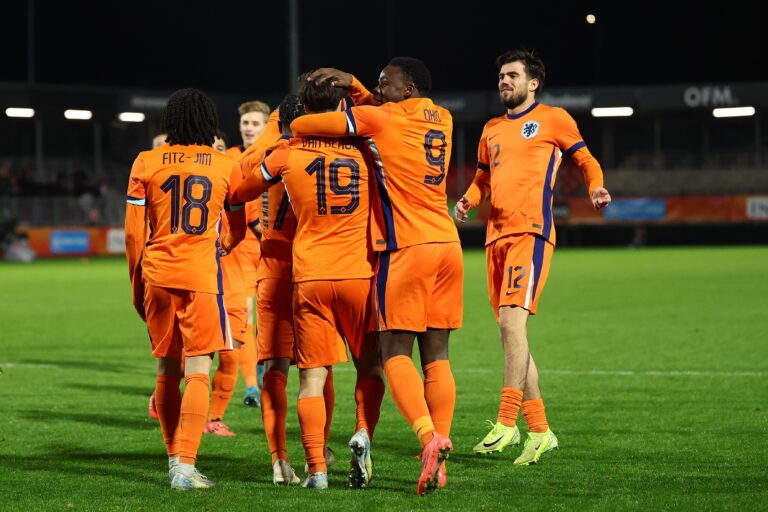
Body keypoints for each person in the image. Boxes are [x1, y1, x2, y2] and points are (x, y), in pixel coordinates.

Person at [298, 57, 461, 495]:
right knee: (438, 355)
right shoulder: (442, 117)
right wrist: (355, 84)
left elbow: (309, 126)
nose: (376, 87)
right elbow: (382, 108)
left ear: (406, 90)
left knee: (393, 353)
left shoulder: (378, 118)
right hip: (448, 245)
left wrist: (315, 103)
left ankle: (429, 439)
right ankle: (441, 456)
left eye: (384, 83)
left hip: (405, 247)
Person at [454, 49, 611, 465]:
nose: (504, 81)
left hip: (531, 233)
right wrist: (469, 200)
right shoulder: (490, 129)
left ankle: (507, 422)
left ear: (533, 83)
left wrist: (595, 185)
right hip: (494, 240)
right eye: (501, 76)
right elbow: (482, 178)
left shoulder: (554, 118)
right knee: (512, 335)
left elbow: (586, 158)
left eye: (512, 75)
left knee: (511, 323)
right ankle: (540, 432)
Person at [235, 81, 384, 490]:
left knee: (285, 373)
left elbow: (236, 192)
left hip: (288, 273)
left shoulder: (274, 154)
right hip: (351, 272)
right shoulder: (361, 150)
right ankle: (355, 435)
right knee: (356, 367)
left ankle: (291, 462)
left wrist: (231, 236)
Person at [124, 88, 246, 489]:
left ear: (168, 122)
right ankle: (186, 468)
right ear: (209, 123)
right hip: (201, 277)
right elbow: (238, 225)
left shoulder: (146, 160)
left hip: (157, 275)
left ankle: (174, 458)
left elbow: (132, 235)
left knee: (166, 369)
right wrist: (224, 244)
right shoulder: (225, 164)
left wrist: (136, 283)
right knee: (198, 369)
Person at [201, 130, 247, 436]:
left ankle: (214, 418)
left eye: (222, 148)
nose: (219, 154)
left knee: (232, 355)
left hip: (233, 281)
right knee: (192, 357)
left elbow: (246, 225)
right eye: (213, 149)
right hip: (201, 279)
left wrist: (229, 241)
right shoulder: (197, 188)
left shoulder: (235, 186)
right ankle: (165, 389)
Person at [228, 100, 273, 407]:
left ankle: (262, 369)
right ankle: (250, 387)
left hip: (272, 250)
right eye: (246, 123)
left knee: (269, 319)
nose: (249, 128)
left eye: (255, 123)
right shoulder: (230, 158)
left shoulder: (276, 156)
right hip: (241, 249)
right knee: (244, 316)